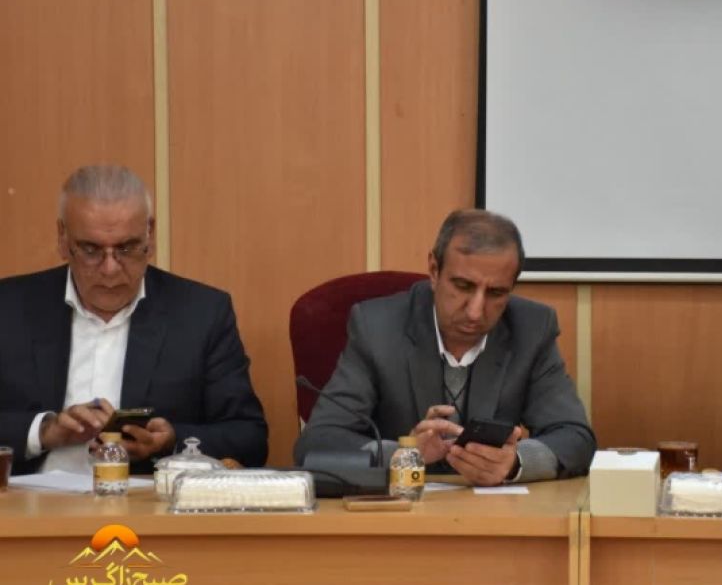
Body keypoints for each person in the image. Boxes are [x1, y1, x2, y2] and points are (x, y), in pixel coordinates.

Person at [295, 209, 596, 485]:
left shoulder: (531, 329)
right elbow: (317, 443)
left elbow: (576, 437)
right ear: (434, 270)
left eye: (495, 293)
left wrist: (514, 463)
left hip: (494, 515)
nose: (476, 311)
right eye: (463, 286)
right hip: (399, 512)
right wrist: (405, 454)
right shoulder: (376, 328)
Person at [0, 165, 267, 476]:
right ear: (63, 238)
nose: (110, 268)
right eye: (91, 250)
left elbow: (249, 437)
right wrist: (42, 431)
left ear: (149, 236)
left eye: (126, 248)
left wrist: (170, 441)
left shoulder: (202, 313)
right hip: (29, 502)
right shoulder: (9, 308)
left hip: (146, 502)